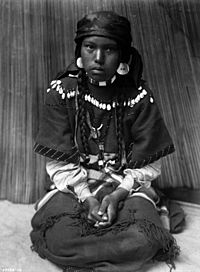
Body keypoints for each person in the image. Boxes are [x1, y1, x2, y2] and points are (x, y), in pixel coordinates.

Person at [30, 11, 182, 272]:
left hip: (126, 185)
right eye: (90, 47)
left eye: (109, 49)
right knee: (58, 235)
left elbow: (150, 163)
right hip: (75, 187)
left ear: (122, 56)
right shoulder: (62, 92)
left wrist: (117, 195)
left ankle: (87, 259)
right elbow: (59, 161)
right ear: (80, 50)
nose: (98, 58)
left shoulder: (138, 98)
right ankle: (111, 259)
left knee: (144, 238)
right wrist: (88, 198)